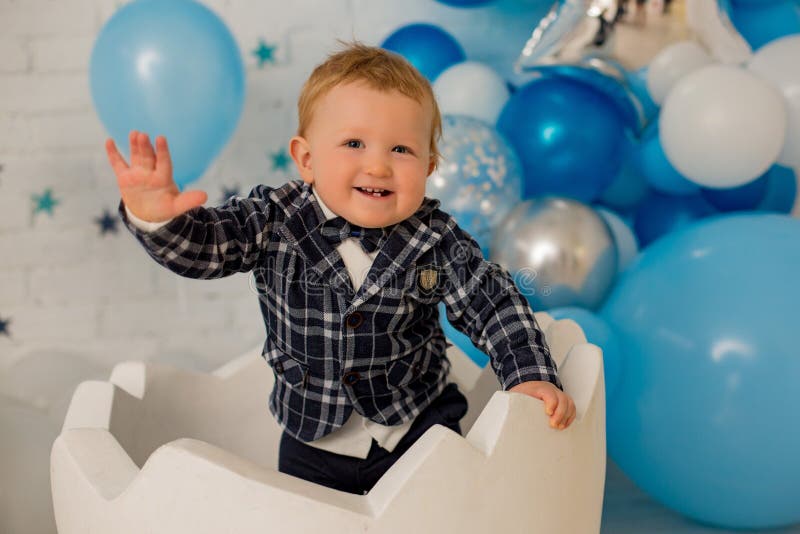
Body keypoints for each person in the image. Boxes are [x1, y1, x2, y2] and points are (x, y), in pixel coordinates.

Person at [104, 42, 576, 496]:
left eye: (401, 150)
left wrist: (527, 373)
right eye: (354, 143)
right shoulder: (274, 219)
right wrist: (159, 219)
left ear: (429, 166)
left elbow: (492, 304)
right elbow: (207, 248)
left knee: (441, 511)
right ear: (307, 159)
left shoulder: (435, 239)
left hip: (418, 424)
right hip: (312, 438)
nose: (377, 165)